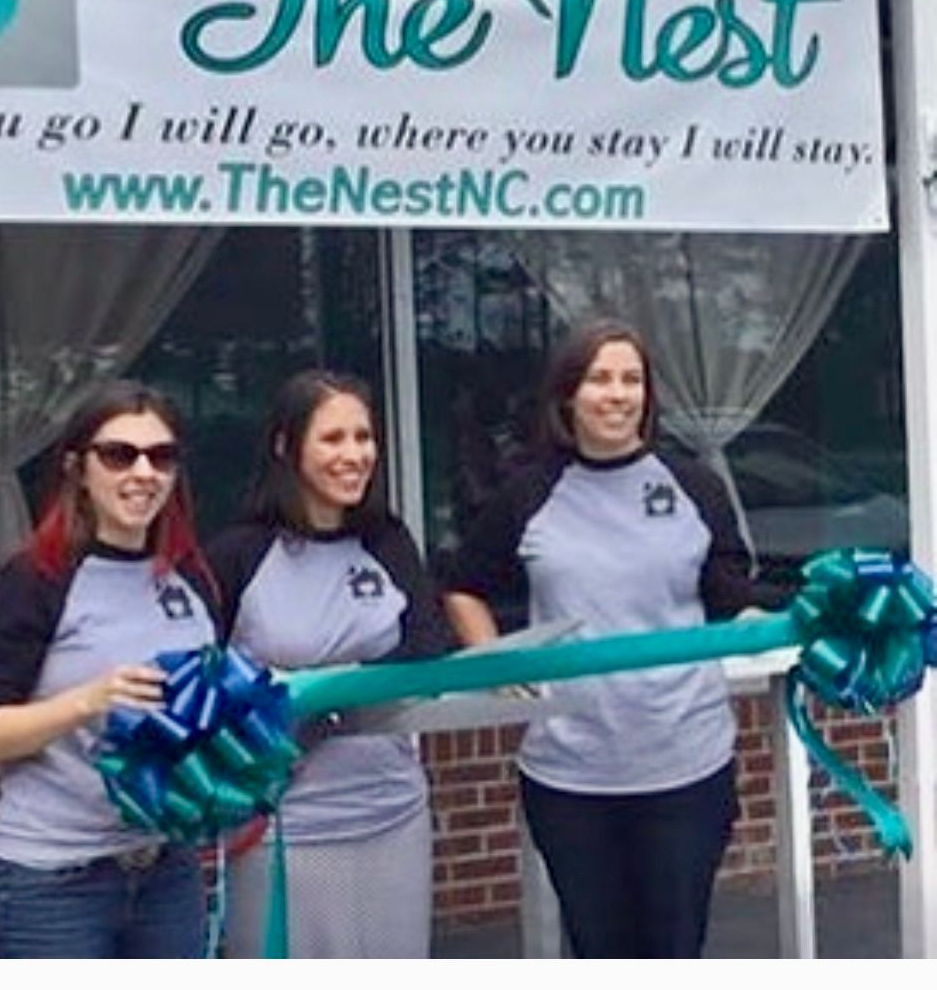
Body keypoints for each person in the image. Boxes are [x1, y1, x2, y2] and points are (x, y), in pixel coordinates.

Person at [439, 318, 789, 958]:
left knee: (673, 951)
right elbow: (462, 585)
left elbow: (728, 592)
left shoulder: (695, 486)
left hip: (685, 765)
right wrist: (495, 658)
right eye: (600, 378)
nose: (617, 394)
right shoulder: (527, 494)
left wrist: (757, 621)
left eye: (632, 379)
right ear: (567, 394)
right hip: (571, 775)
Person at [0, 380, 218, 959]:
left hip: (168, 869)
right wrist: (88, 700)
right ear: (77, 468)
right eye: (119, 455)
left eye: (161, 456)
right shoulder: (33, 579)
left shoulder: (191, 575)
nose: (143, 473)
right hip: (54, 877)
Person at [205, 369, 448, 958]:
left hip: (390, 810)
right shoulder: (238, 553)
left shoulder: (388, 539)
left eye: (363, 438)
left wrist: (329, 703)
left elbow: (426, 649)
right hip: (281, 820)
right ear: (286, 446)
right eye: (333, 439)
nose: (354, 455)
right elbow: (202, 685)